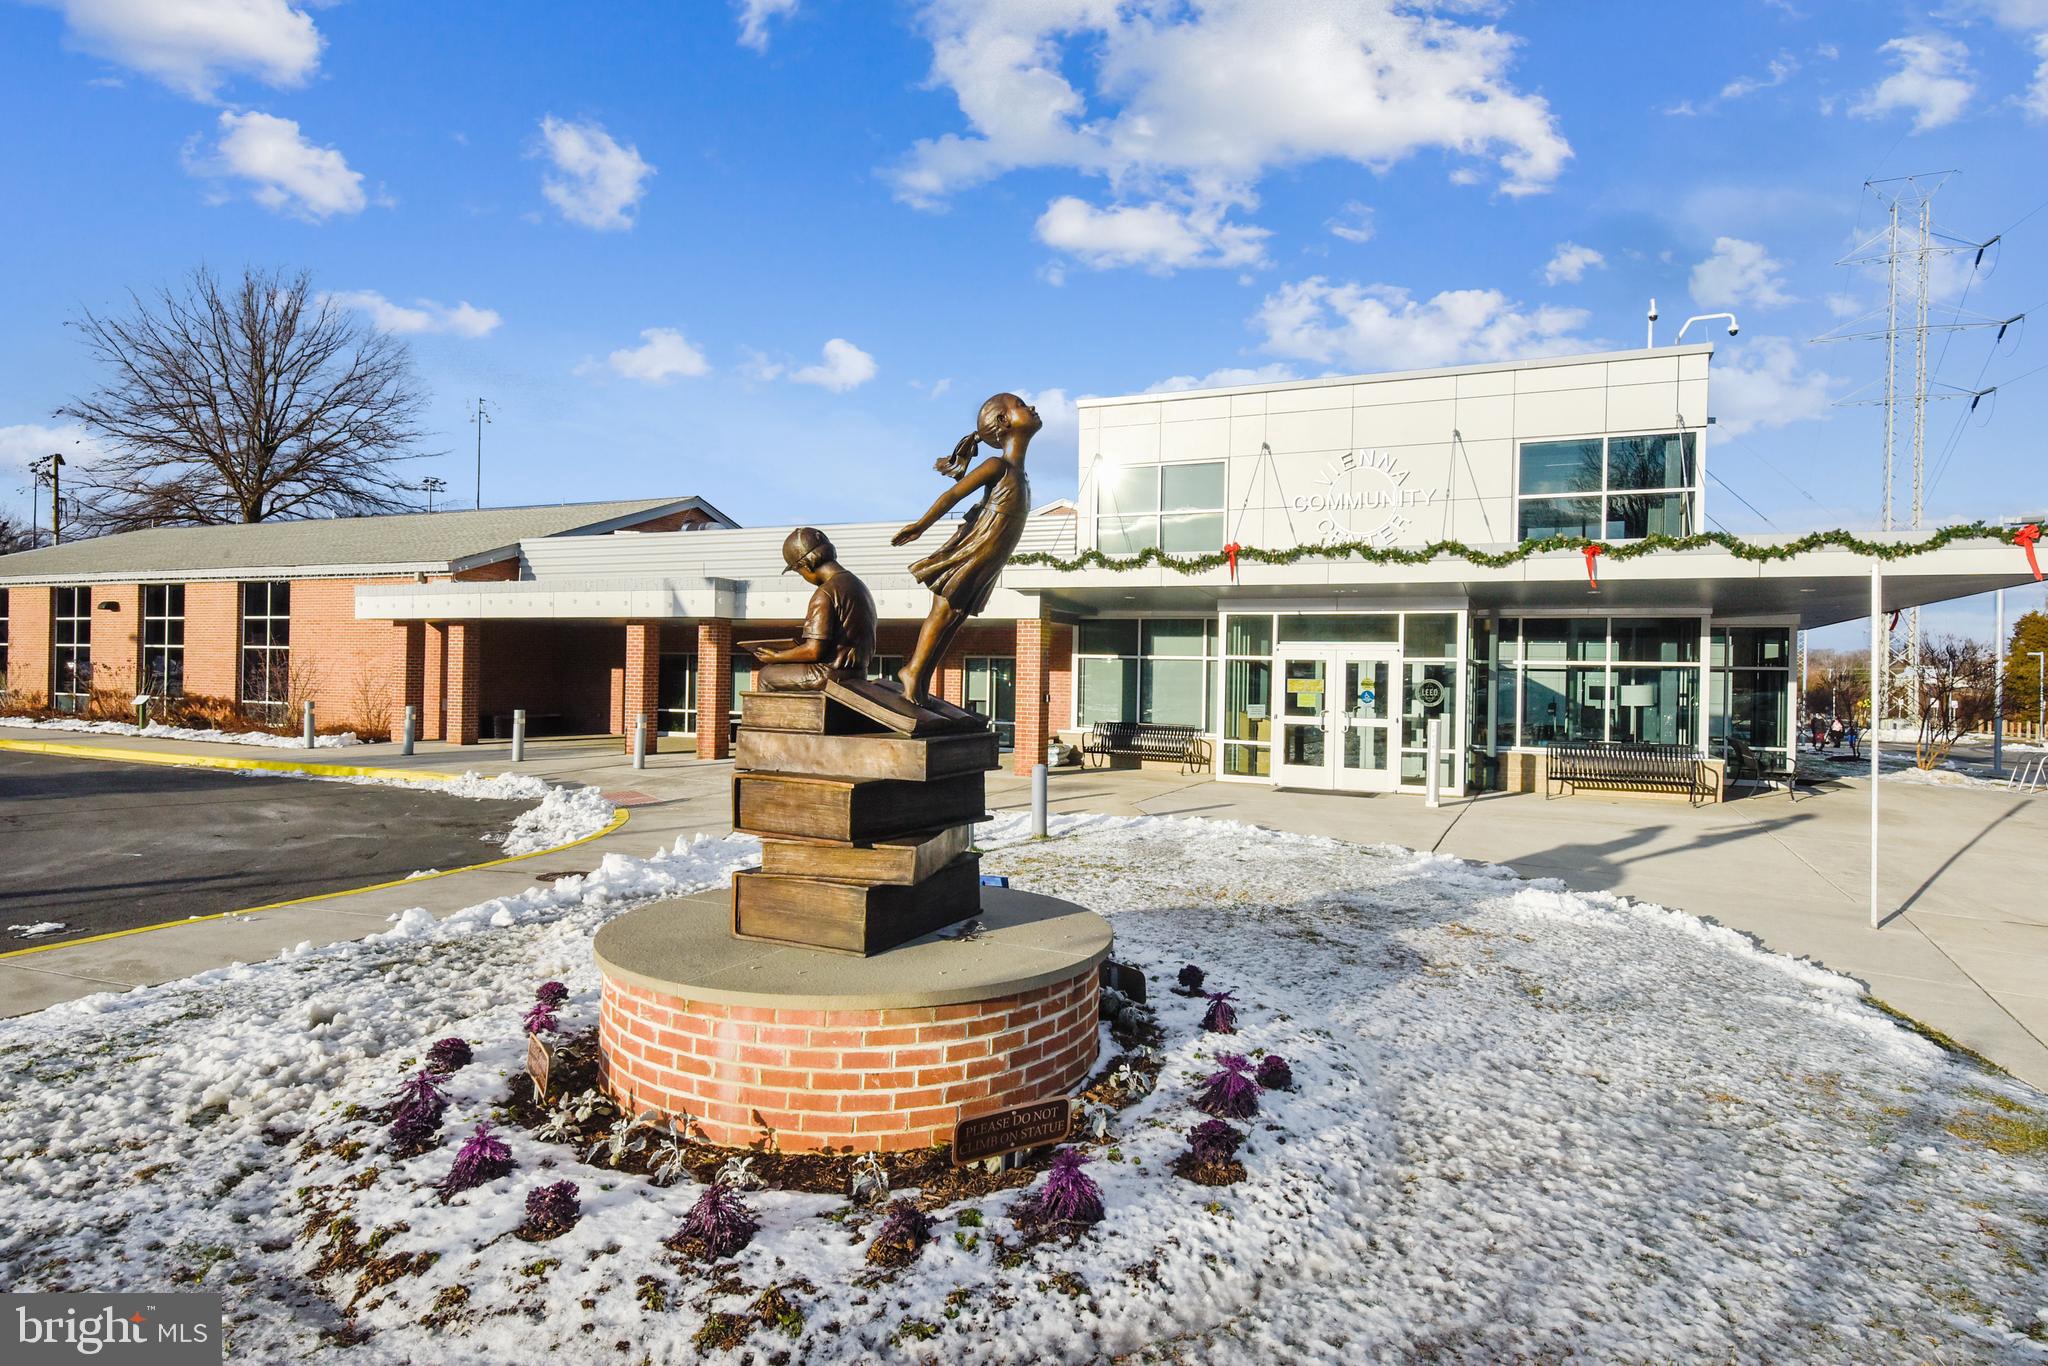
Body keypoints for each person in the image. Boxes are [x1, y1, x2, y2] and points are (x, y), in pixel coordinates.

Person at [891, 391, 1041, 705]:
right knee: (945, 608)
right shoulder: (996, 465)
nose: (1032, 407)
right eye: (1021, 405)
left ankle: (919, 678)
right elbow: (953, 495)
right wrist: (921, 525)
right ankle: (913, 671)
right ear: (1004, 421)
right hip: (976, 543)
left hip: (994, 550)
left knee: (956, 614)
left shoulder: (1020, 474)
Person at [746, 527, 877, 691]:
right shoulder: (858, 585)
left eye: (799, 572)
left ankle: (774, 717)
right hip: (858, 673)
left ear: (805, 566)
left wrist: (777, 656)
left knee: (766, 675)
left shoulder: (825, 593)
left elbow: (814, 651)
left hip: (829, 674)